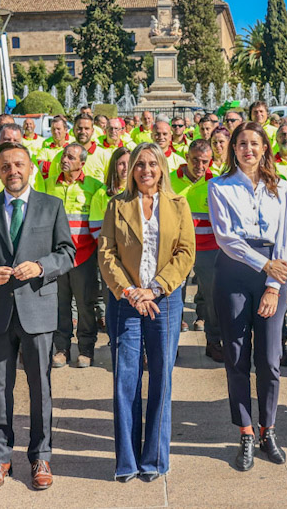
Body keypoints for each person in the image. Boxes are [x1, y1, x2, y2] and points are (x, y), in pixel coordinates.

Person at [0, 142, 76, 491]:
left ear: (31, 169)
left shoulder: (51, 206)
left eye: (19, 165)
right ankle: (0, 458)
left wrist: (42, 266)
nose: (13, 171)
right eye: (6, 166)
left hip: (38, 309)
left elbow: (67, 253)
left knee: (40, 388)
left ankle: (41, 456)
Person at [98, 143, 196, 482]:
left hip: (164, 301)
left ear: (162, 168)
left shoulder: (178, 205)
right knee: (126, 379)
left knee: (161, 379)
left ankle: (154, 459)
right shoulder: (117, 205)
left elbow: (185, 254)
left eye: (152, 164)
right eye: (140, 164)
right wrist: (130, 292)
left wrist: (154, 288)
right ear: (131, 170)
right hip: (125, 301)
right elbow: (107, 253)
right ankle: (126, 461)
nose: (146, 170)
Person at [208, 122, 287, 472]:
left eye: (254, 143)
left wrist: (273, 283)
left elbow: (285, 239)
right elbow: (226, 238)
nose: (248, 149)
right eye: (241, 143)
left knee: (270, 360)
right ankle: (244, 430)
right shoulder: (220, 186)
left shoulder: (282, 189)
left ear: (265, 148)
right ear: (233, 149)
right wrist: (265, 265)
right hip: (234, 272)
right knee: (237, 356)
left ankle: (267, 429)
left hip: (273, 275)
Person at [47, 143, 104, 368]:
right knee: (60, 305)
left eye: (71, 157)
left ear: (82, 163)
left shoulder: (94, 187)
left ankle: (86, 349)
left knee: (85, 305)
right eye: (64, 155)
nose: (65, 160)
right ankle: (61, 349)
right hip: (58, 257)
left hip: (84, 256)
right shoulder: (49, 185)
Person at [170, 140, 223, 359]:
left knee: (212, 298)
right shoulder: (170, 180)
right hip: (177, 249)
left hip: (209, 248)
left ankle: (214, 341)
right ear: (186, 157)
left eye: (205, 161)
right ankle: (171, 345)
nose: (200, 166)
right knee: (173, 298)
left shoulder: (217, 182)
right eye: (195, 160)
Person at [90, 147, 131, 241]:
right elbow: (95, 228)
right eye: (121, 164)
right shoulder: (101, 194)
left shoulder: (140, 191)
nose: (126, 168)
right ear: (114, 166)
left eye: (129, 163)